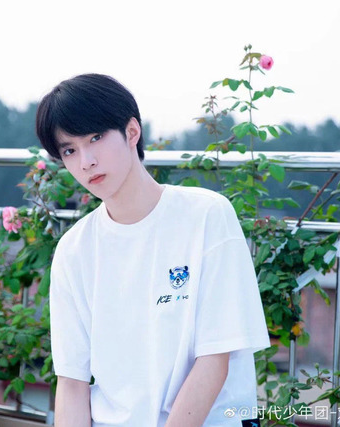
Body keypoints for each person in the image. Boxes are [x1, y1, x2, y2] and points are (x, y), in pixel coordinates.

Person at [35, 73, 270, 427]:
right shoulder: (74, 250)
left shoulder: (206, 216)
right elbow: (71, 382)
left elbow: (214, 359)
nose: (86, 161)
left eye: (95, 138)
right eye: (69, 150)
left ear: (132, 132)